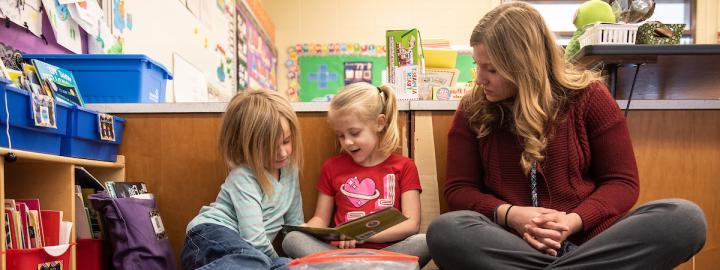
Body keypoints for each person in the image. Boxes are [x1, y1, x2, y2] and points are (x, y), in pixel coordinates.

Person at [426, 2, 706, 269]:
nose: (479, 79)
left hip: (591, 241)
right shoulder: (473, 109)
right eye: (478, 65)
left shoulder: (589, 97)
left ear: (525, 64)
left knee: (685, 218)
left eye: (492, 69)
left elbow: (622, 182)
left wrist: (572, 221)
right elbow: (459, 191)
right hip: (511, 244)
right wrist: (511, 215)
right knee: (446, 231)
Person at [282, 82, 431, 267]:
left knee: (426, 241)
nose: (348, 142)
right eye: (340, 135)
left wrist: (361, 235)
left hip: (387, 255)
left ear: (379, 123)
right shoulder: (332, 167)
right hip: (340, 255)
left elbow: (411, 224)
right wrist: (308, 229)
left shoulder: (404, 166)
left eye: (354, 132)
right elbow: (320, 218)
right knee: (293, 239)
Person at [180, 90, 304, 270]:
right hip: (209, 235)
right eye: (270, 147)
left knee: (289, 267)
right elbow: (254, 239)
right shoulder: (244, 176)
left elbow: (294, 229)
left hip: (250, 252)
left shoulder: (290, 172)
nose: (282, 153)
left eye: (286, 141)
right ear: (246, 144)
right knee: (255, 261)